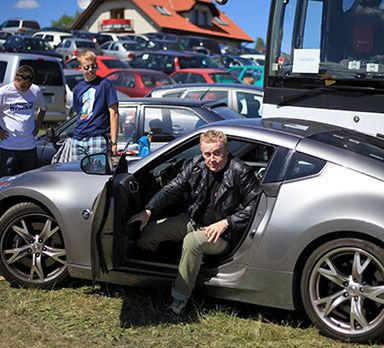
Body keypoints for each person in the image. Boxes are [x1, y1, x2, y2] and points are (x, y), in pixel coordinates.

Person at [127, 129, 261, 315]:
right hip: (193, 221)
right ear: (201, 152)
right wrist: (148, 211)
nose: (212, 159)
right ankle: (168, 276)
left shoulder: (240, 171)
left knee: (192, 242)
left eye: (217, 153)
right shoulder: (197, 164)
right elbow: (172, 189)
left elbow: (255, 206)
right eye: (207, 154)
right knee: (148, 233)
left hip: (223, 233)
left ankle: (179, 300)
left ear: (226, 151)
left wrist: (227, 222)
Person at [0, 65, 47, 177]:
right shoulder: (3, 92)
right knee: (8, 180)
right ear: (16, 79)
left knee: (29, 180)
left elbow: (43, 109)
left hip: (29, 146)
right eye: (22, 86)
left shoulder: (35, 90)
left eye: (28, 86)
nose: (25, 88)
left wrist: (37, 126)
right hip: (9, 146)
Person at [65, 50, 119, 161]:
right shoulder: (78, 88)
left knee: (96, 175)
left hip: (97, 137)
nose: (90, 70)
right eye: (87, 67)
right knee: (77, 174)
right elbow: (78, 114)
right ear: (80, 68)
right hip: (78, 138)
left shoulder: (105, 84)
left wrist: (114, 142)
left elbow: (114, 113)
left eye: (93, 66)